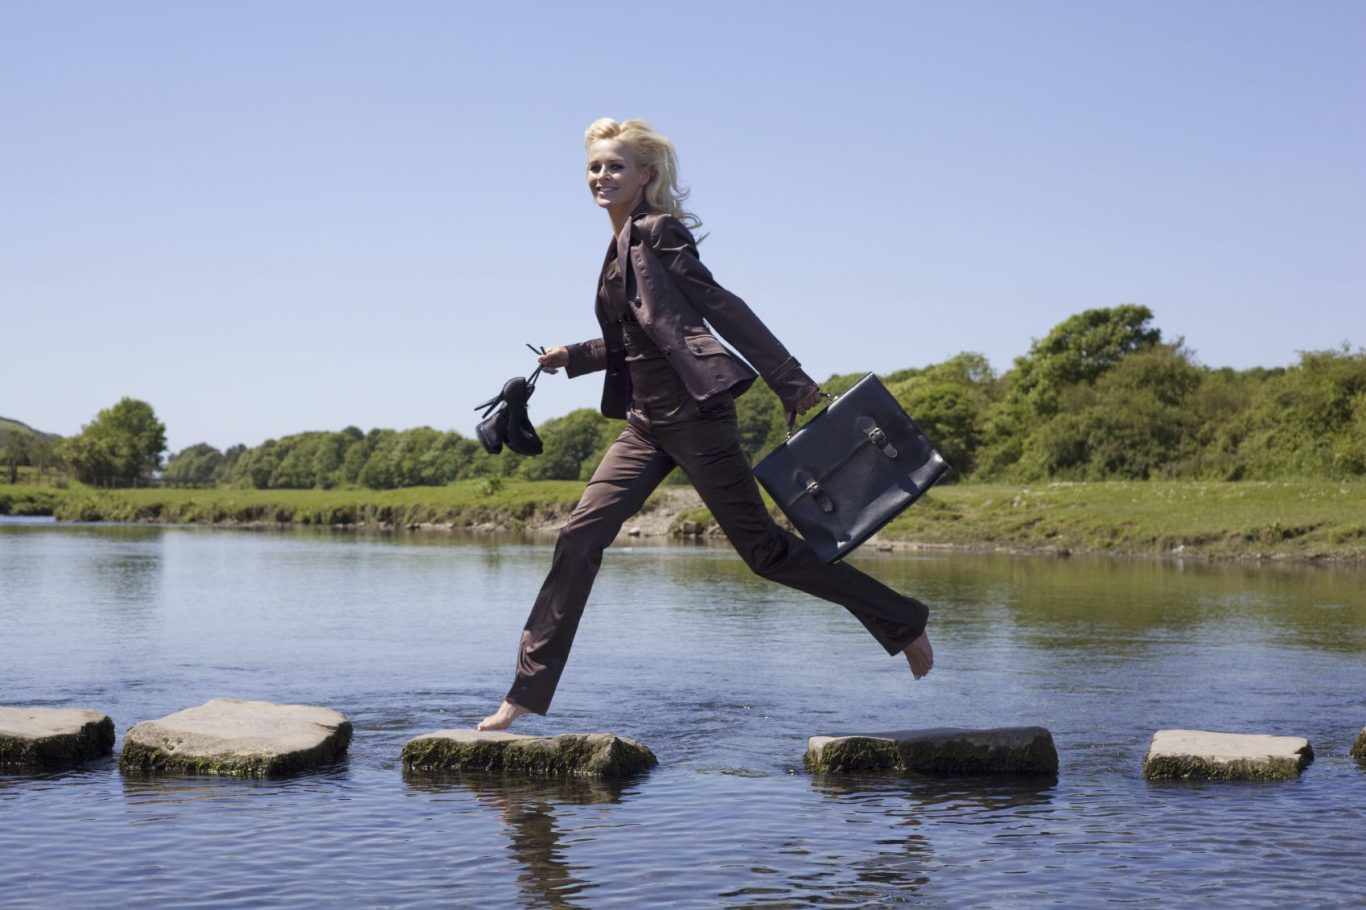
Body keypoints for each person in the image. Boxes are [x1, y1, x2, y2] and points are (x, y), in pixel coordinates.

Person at [478, 118, 933, 731]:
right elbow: (637, 339)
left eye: (615, 166)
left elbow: (719, 306)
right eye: (593, 167)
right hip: (644, 425)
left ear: (646, 175)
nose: (602, 176)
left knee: (766, 554)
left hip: (698, 418)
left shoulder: (659, 232)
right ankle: (525, 695)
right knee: (579, 537)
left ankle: (901, 620)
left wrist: (792, 382)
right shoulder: (616, 250)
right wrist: (573, 357)